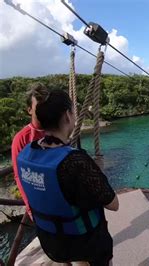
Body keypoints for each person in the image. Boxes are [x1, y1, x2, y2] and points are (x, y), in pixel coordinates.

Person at [15, 89, 119, 265]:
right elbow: (113, 203)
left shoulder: (26, 153)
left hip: (52, 241)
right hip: (84, 242)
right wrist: (96, 171)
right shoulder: (75, 161)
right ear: (67, 116)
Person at [11, 83, 49, 219]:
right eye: (39, 106)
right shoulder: (22, 138)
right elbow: (18, 175)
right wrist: (29, 207)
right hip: (39, 200)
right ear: (29, 110)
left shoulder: (55, 131)